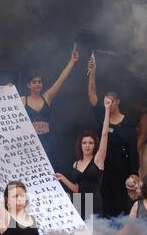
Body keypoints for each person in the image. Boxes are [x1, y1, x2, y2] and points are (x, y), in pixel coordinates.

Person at [87, 56, 138, 216]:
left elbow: (133, 148)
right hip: (103, 162)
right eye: (106, 102)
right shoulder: (102, 116)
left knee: (121, 197)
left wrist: (134, 171)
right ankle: (104, 227)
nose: (108, 104)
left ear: (118, 102)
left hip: (121, 163)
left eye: (111, 102)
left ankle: (121, 227)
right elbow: (92, 94)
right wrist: (92, 73)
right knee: (103, 195)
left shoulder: (128, 122)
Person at [55, 96, 111, 219]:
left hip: (94, 201)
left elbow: (105, 135)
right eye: (84, 143)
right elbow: (76, 189)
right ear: (80, 145)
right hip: (79, 202)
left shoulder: (98, 160)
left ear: (94, 145)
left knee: (95, 233)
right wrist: (63, 178)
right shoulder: (76, 164)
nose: (87, 146)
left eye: (90, 143)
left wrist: (107, 110)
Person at [21, 47, 79, 165]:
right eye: (34, 82)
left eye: (39, 82)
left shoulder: (46, 97)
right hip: (31, 143)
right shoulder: (23, 100)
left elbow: (61, 80)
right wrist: (5, 88)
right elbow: (5, 106)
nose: (37, 84)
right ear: (28, 85)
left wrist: (72, 61)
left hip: (47, 141)